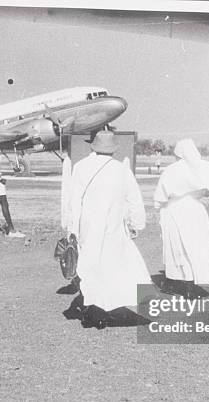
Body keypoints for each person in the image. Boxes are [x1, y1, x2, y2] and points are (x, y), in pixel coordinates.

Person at [68, 131, 151, 328]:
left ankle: (93, 309)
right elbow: (134, 200)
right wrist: (136, 224)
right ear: (114, 149)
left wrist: (73, 229)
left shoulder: (80, 167)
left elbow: (74, 202)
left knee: (90, 264)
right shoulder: (121, 170)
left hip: (87, 225)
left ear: (92, 146)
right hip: (113, 225)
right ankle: (106, 307)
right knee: (112, 265)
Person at [153, 139, 209, 290]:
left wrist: (158, 206)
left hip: (175, 211)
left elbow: (161, 194)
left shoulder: (171, 170)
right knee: (197, 246)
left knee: (177, 247)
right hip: (197, 211)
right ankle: (195, 280)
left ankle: (180, 283)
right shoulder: (201, 168)